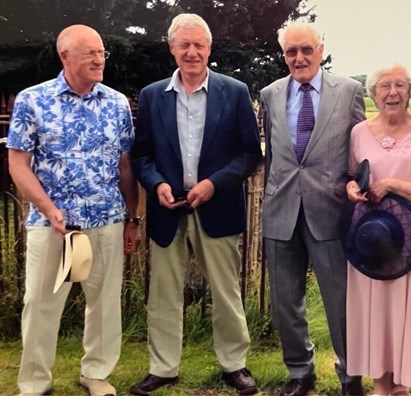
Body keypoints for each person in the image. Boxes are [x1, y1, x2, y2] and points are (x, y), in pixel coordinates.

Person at [129, 13, 262, 396]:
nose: (191, 52)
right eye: (184, 44)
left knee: (225, 291)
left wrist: (213, 184)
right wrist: (156, 185)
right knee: (164, 293)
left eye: (198, 45)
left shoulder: (234, 91)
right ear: (172, 48)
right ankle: (163, 367)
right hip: (167, 209)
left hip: (217, 207)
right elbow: (141, 155)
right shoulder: (153, 95)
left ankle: (234, 364)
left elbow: (249, 153)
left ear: (209, 48)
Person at [6, 24, 140, 396]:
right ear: (64, 55)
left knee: (104, 301)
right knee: (41, 303)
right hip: (53, 226)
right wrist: (48, 209)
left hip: (107, 220)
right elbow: (18, 164)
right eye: (90, 54)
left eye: (102, 53)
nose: (99, 60)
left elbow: (126, 165)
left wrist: (133, 218)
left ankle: (96, 372)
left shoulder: (116, 103)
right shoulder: (33, 100)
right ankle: (34, 382)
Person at [260, 22, 366, 396]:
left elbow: (360, 152)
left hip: (331, 211)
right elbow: (273, 155)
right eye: (291, 52)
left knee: (340, 300)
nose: (299, 58)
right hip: (281, 210)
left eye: (306, 50)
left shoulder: (349, 90)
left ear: (321, 50)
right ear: (284, 55)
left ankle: (350, 374)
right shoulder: (270, 94)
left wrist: (357, 189)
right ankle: (300, 373)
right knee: (286, 300)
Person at [344, 65, 411, 396]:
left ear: (409, 91)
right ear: (373, 94)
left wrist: (390, 185)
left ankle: (402, 385)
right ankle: (380, 384)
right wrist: (351, 189)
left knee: (408, 313)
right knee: (375, 312)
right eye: (385, 86)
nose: (393, 92)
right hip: (372, 240)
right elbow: (352, 175)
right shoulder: (359, 132)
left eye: (400, 85)